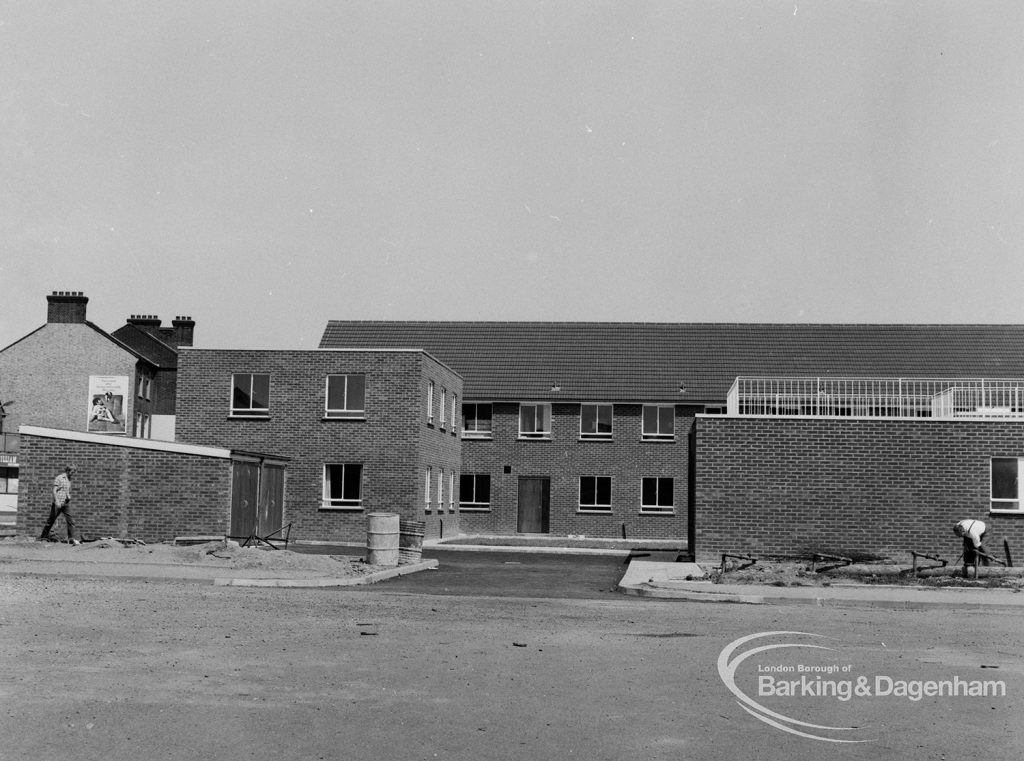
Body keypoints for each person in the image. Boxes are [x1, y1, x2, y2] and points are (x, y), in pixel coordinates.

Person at [40, 465, 80, 545]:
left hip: (66, 503)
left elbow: (66, 490)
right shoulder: (59, 478)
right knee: (51, 520)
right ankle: (43, 537)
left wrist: (68, 495)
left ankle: (71, 539)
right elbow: (54, 490)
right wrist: (57, 501)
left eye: (74, 472)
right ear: (68, 470)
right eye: (72, 472)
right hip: (58, 503)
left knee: (71, 521)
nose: (73, 473)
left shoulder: (69, 479)